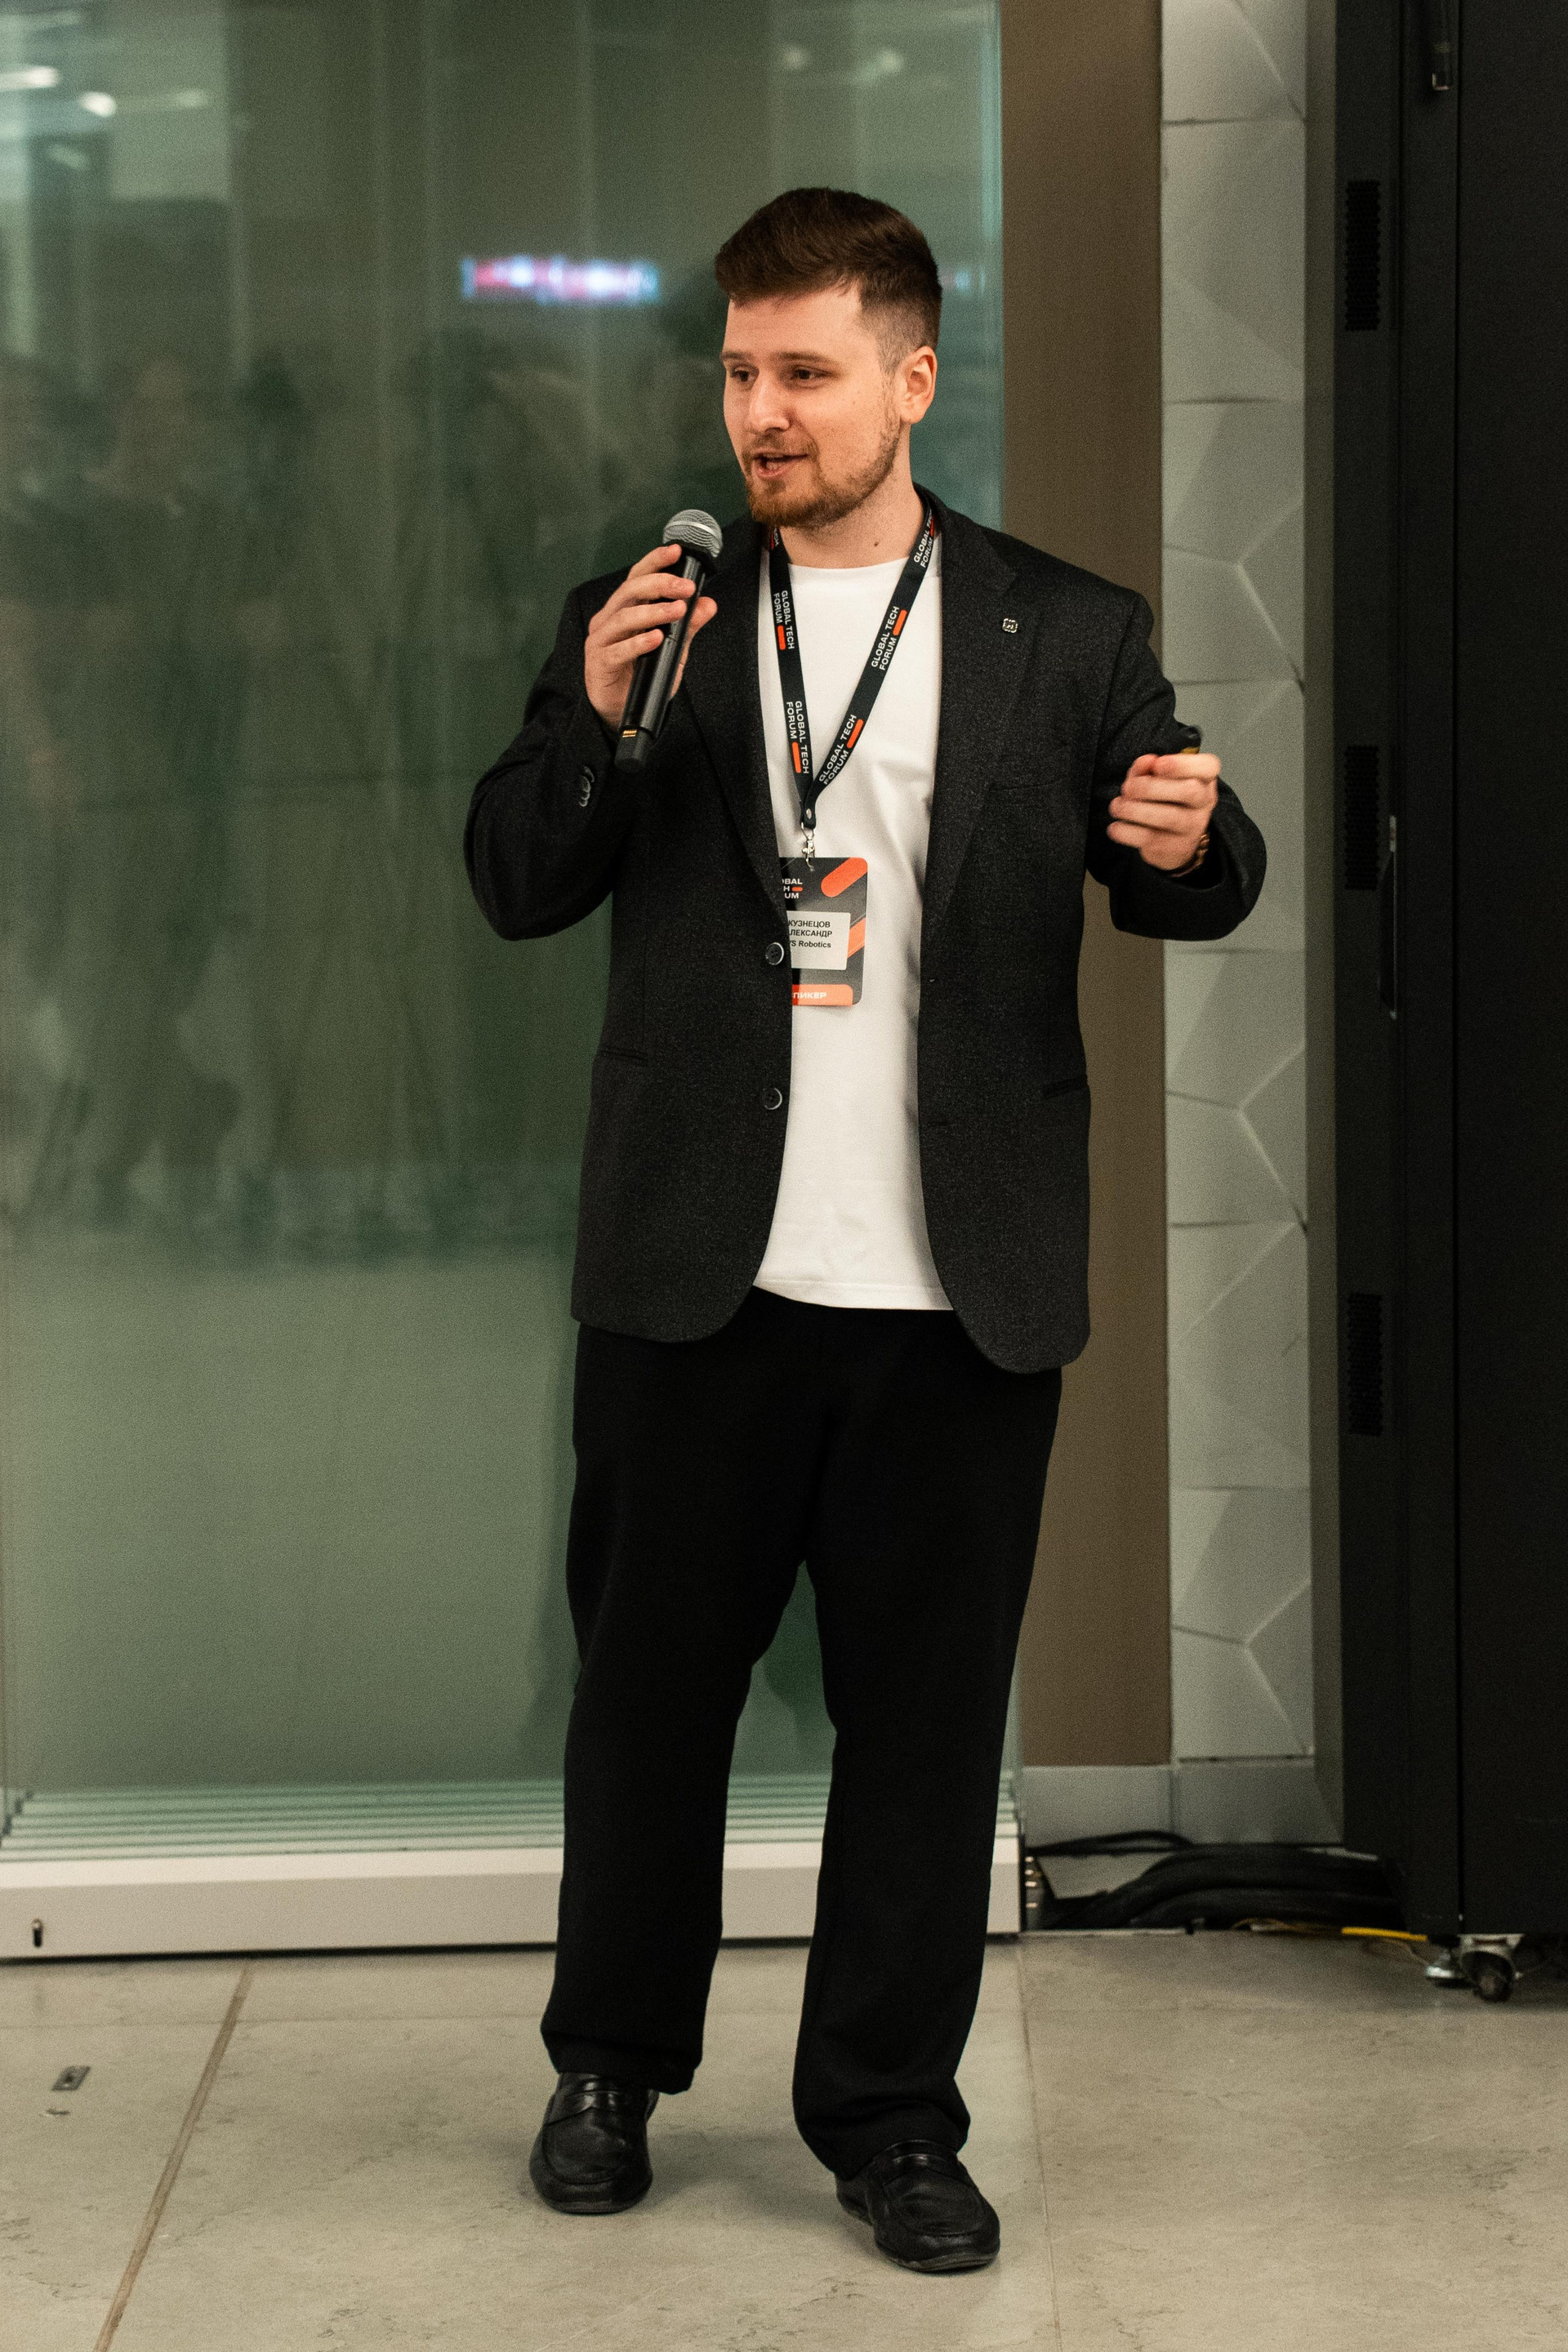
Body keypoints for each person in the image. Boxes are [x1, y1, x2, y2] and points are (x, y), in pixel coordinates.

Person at [465, 186, 1266, 2274]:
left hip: (953, 1289)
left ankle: (894, 2120)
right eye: (740, 371)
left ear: (911, 381)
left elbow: (1189, 861)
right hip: (693, 1278)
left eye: (806, 373)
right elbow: (517, 878)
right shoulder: (651, 614)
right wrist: (597, 717)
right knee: (648, 1706)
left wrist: (1199, 838)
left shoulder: (1059, 629)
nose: (763, 412)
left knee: (922, 1731)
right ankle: (607, 2069)